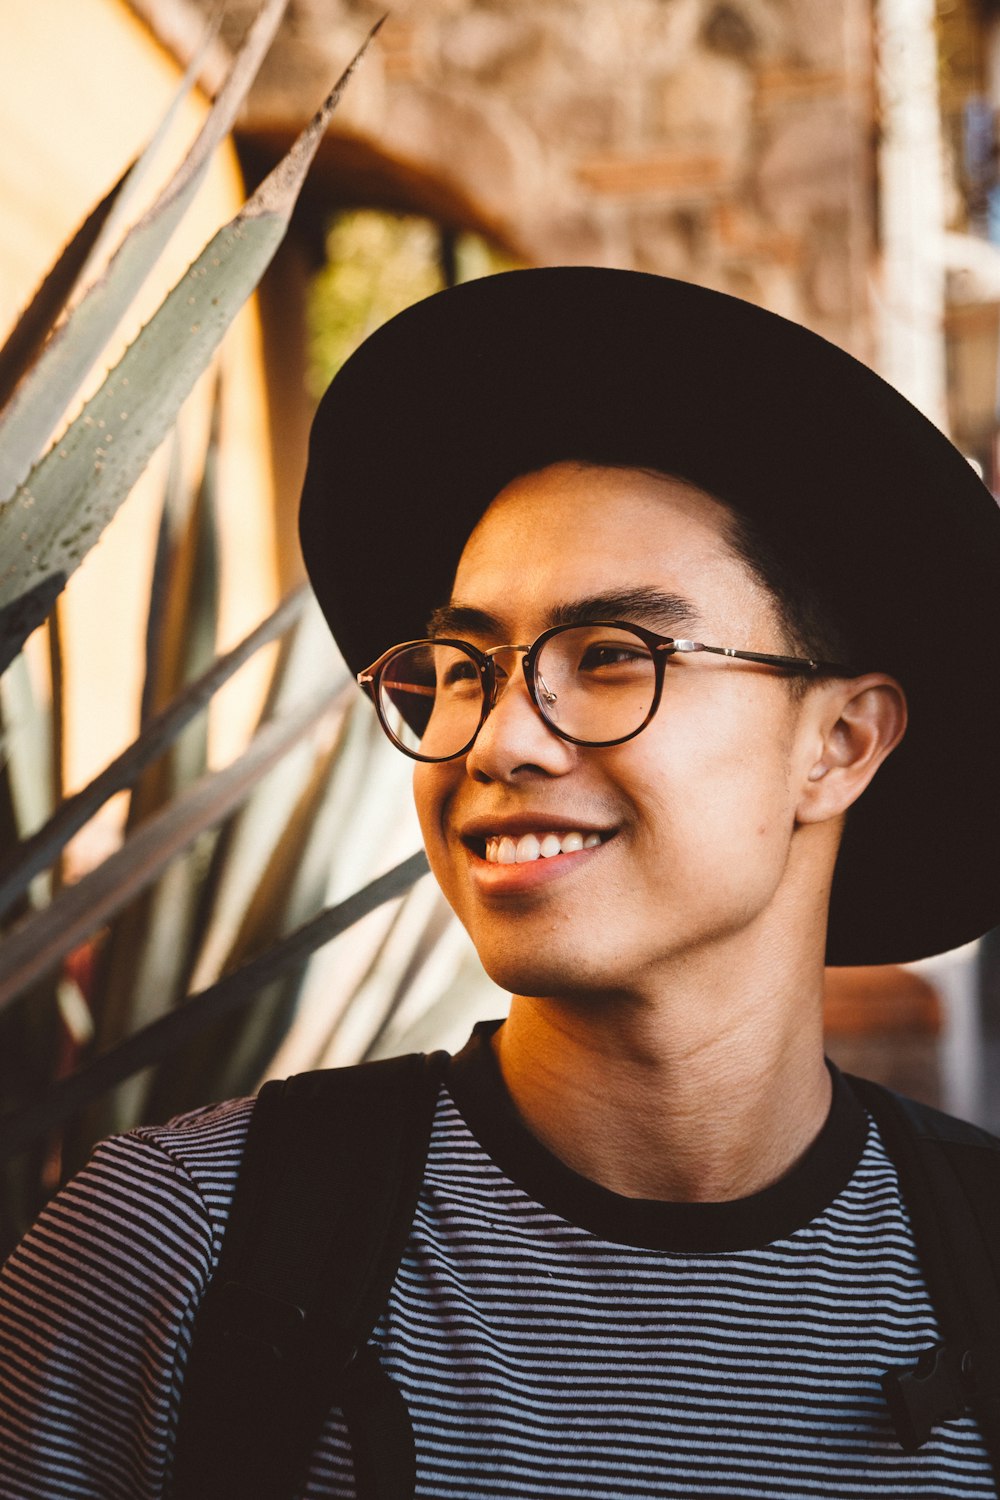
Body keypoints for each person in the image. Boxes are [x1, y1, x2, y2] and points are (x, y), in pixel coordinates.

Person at [2, 266, 1000, 1499]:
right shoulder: (184, 1250)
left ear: (838, 744)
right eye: (465, 665)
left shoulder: (975, 1269)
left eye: (609, 655)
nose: (500, 740)